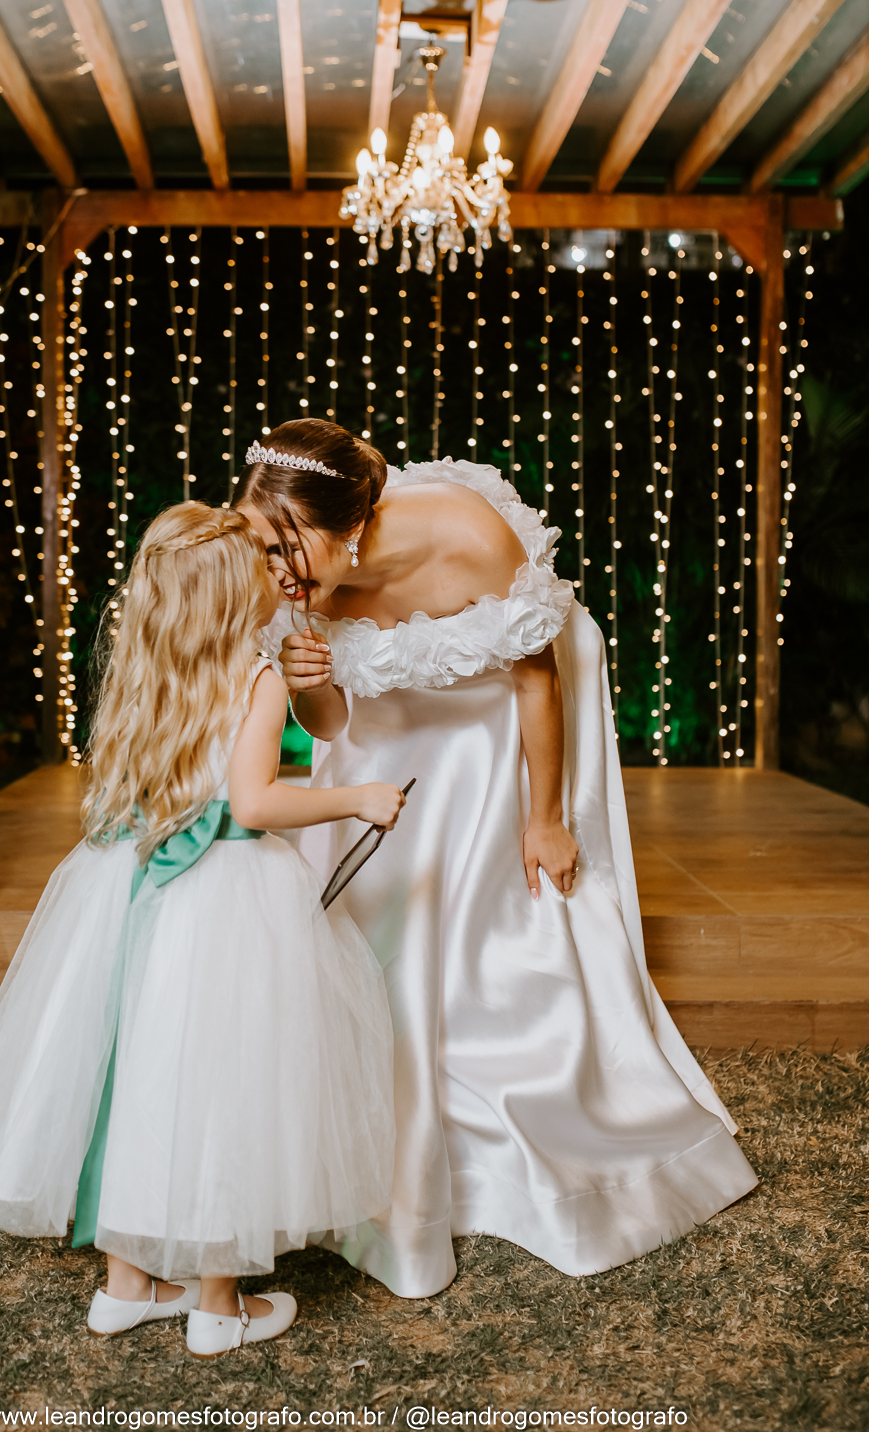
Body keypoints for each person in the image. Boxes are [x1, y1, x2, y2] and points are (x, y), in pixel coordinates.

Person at [236, 420, 758, 1301]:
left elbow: (533, 679)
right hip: (383, 731)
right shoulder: (289, 575)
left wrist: (544, 818)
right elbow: (330, 726)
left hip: (493, 716)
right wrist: (307, 678)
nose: (277, 570)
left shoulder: (466, 537)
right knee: (368, 924)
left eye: (291, 546)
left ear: (350, 525)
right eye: (264, 547)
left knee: (496, 906)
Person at [0, 502, 402, 1355]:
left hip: (130, 889)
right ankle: (219, 1305)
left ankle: (127, 1286)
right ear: (231, 594)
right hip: (227, 899)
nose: (278, 573)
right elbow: (253, 803)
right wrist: (356, 797)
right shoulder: (254, 679)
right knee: (227, 1081)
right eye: (263, 564)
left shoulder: (142, 669)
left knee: (133, 1072)